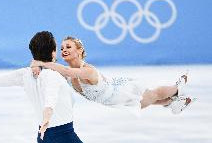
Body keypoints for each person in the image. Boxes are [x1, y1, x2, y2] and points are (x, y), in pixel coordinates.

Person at [31, 36, 196, 114]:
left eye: (68, 47)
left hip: (120, 93)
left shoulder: (87, 70)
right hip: (112, 98)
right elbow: (52, 68)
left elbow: (64, 70)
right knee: (150, 101)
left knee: (153, 95)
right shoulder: (65, 72)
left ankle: (177, 89)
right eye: (61, 48)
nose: (63, 50)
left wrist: (41, 63)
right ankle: (174, 103)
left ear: (79, 50)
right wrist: (37, 64)